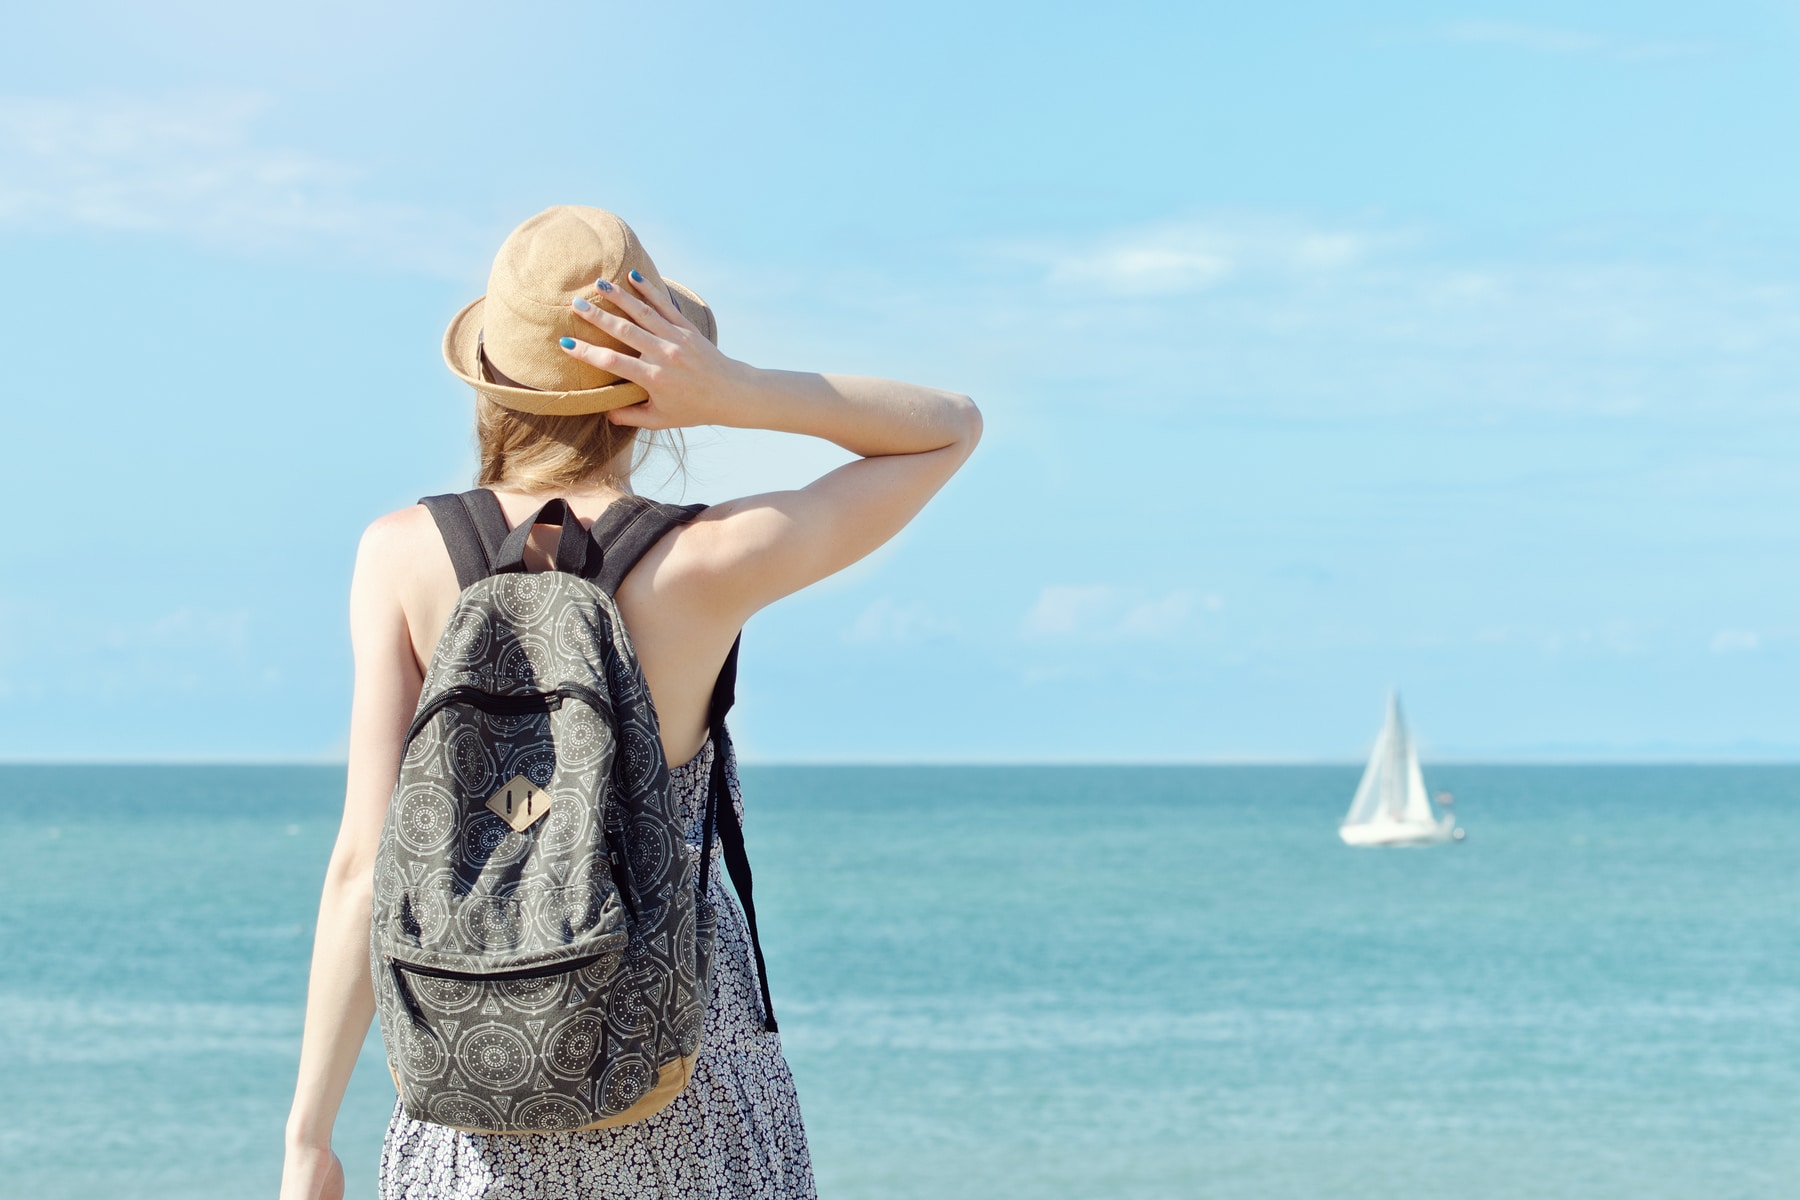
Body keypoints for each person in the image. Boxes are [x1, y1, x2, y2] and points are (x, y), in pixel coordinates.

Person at [278, 206, 982, 1200]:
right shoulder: (709, 558)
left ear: (492, 380)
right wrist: (735, 392)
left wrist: (309, 1136)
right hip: (673, 1050)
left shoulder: (397, 555)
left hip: (478, 1050)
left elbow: (364, 864)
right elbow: (949, 429)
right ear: (645, 389)